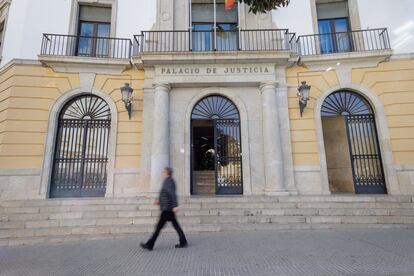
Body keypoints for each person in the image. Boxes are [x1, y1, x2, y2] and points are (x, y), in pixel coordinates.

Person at [140, 167, 188, 250]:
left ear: (167, 172)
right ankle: (183, 242)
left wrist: (175, 206)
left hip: (167, 209)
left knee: (158, 228)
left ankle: (150, 244)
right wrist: (159, 201)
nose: (163, 172)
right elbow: (166, 193)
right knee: (176, 226)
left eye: (164, 171)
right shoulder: (168, 180)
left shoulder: (169, 181)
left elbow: (172, 194)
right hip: (167, 208)